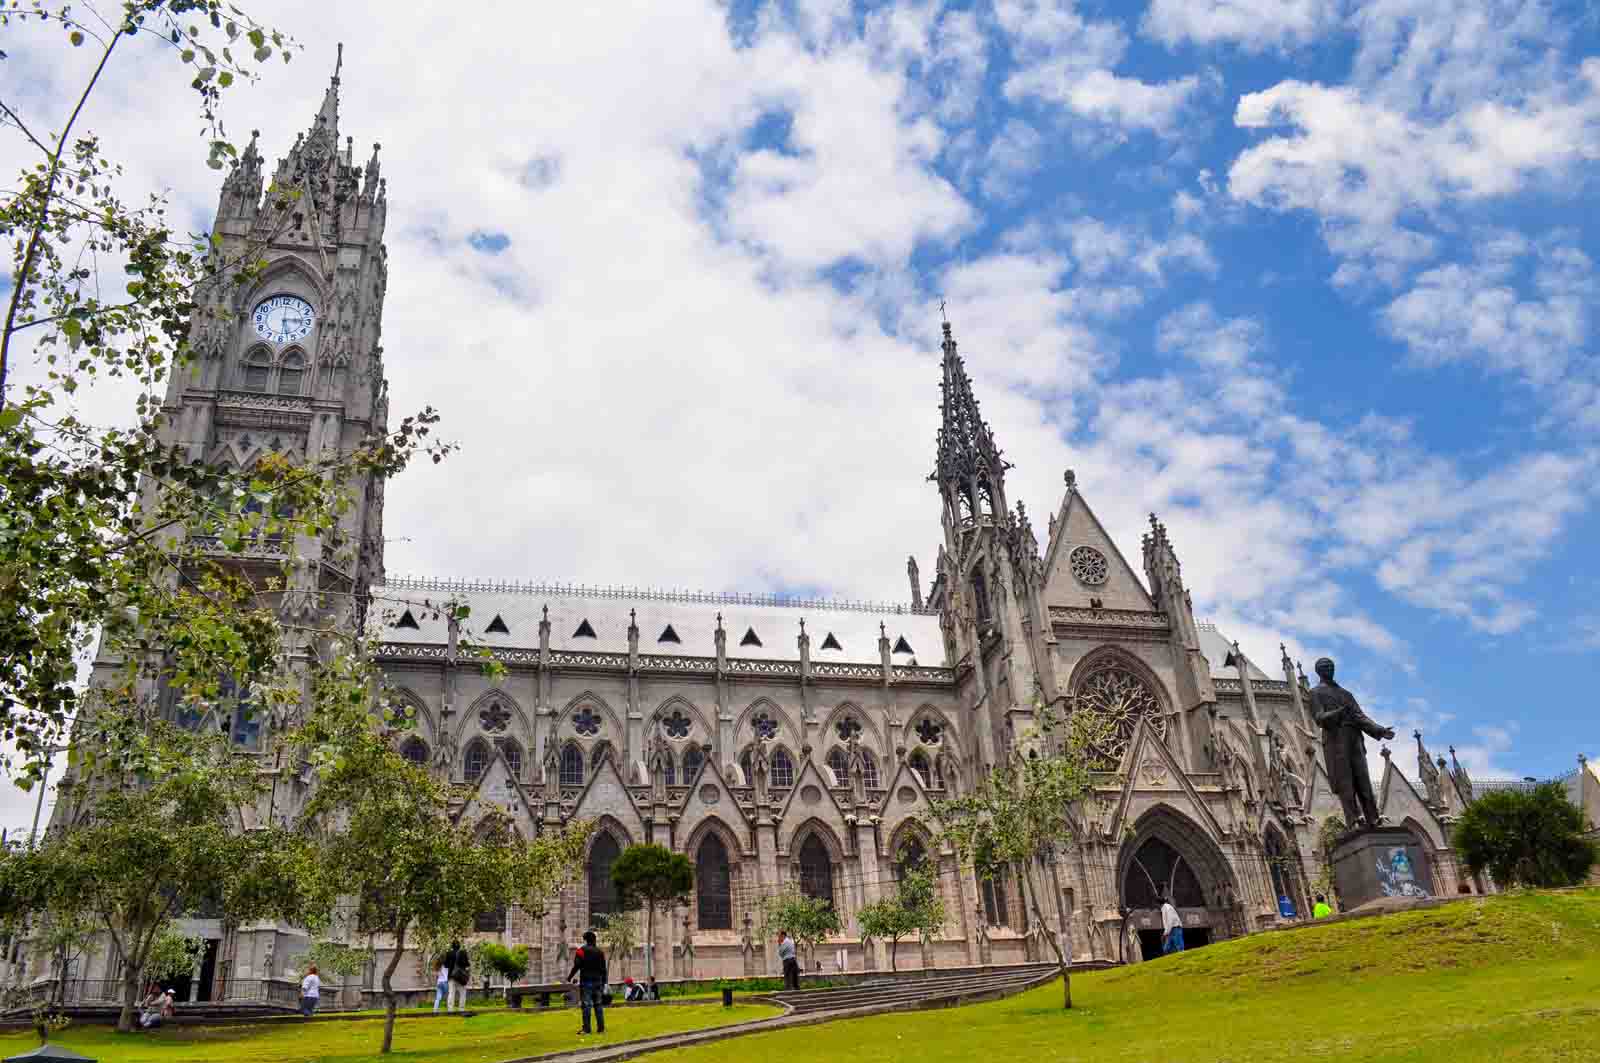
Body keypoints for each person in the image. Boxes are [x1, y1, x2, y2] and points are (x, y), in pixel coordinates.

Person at [567, 929, 608, 1035]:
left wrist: (570, 977)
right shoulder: (600, 952)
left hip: (586, 982)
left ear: (585, 940)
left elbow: (577, 966)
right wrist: (604, 982)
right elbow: (604, 969)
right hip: (598, 981)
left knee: (586, 1005)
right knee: (598, 1005)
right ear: (594, 940)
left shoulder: (581, 951)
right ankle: (601, 1028)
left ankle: (586, 1029)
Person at [443, 939, 471, 1012]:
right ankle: (461, 1009)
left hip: (452, 976)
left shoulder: (448, 953)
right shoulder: (463, 953)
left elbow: (445, 965)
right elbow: (467, 964)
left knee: (451, 993)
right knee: (462, 993)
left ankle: (450, 1009)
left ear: (452, 946)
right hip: (461, 977)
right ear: (459, 946)